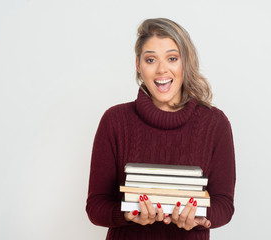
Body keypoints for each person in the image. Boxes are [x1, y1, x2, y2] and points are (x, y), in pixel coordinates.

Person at [86, 18, 236, 240]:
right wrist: (127, 214)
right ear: (138, 65)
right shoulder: (115, 120)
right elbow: (96, 206)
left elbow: (224, 204)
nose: (162, 69)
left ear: (186, 62)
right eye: (151, 59)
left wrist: (200, 216)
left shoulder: (215, 123)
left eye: (172, 58)